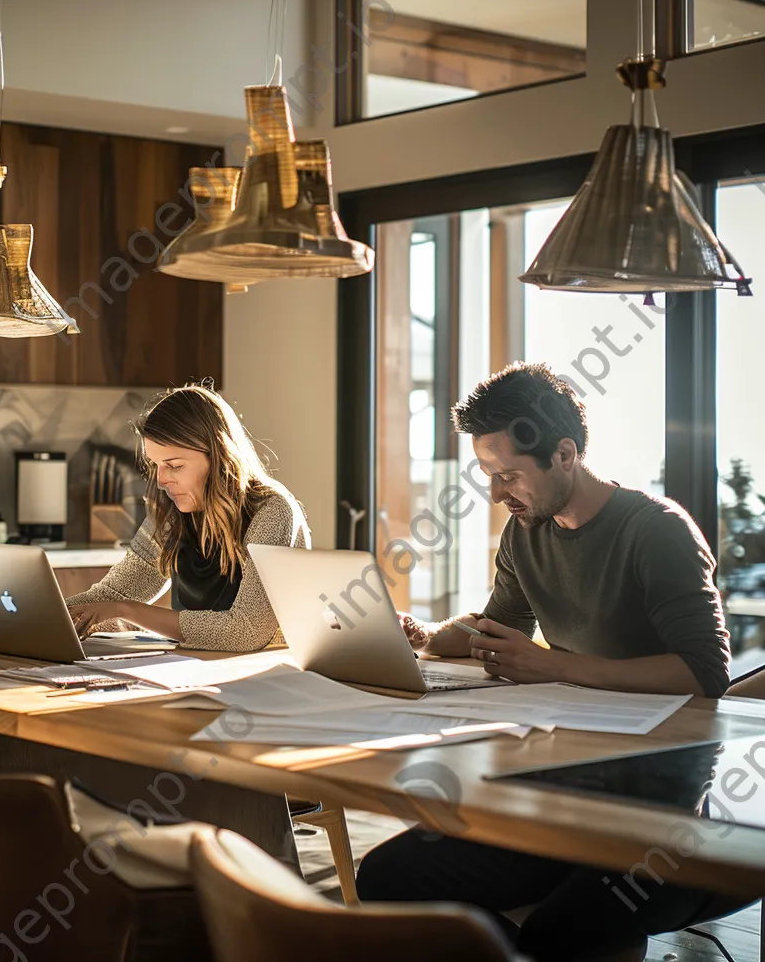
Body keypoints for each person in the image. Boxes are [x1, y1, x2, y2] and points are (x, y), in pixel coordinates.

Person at [356, 361, 732, 961]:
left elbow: (705, 676)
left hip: (663, 808)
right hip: (564, 793)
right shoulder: (526, 531)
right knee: (385, 877)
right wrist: (420, 635)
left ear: (564, 454)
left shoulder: (657, 531)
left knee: (562, 933)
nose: (498, 493)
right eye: (487, 475)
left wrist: (556, 666)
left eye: (508, 475)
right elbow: (498, 630)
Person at [67, 384, 310, 653]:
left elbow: (245, 631)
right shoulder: (172, 514)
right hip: (195, 668)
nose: (161, 480)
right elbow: (110, 597)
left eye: (175, 465)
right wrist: (36, 617)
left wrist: (127, 611)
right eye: (155, 465)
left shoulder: (272, 512)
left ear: (220, 456)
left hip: (262, 678)